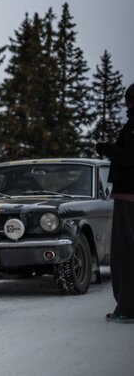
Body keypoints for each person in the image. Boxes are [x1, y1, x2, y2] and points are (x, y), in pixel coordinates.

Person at [97, 83, 134, 323]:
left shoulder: (133, 127)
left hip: (128, 197)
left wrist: (104, 148)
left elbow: (129, 157)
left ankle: (128, 308)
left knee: (125, 253)